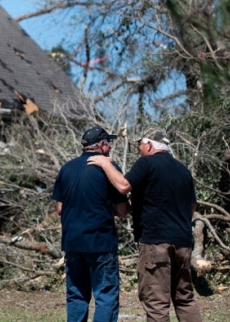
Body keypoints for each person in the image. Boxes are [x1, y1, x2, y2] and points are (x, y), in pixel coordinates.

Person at [87, 128, 202, 322]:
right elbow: (192, 205)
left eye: (139, 144)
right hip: (183, 242)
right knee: (185, 298)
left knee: (156, 302)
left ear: (148, 144)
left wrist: (105, 163)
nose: (139, 148)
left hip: (155, 243)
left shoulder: (146, 163)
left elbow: (123, 186)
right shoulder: (182, 169)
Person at [52, 126, 129, 322]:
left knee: (76, 294)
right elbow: (122, 211)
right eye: (108, 143)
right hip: (100, 241)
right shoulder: (109, 168)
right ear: (102, 144)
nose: (110, 147)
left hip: (73, 242)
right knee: (105, 295)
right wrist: (107, 207)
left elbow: (59, 208)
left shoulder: (67, 168)